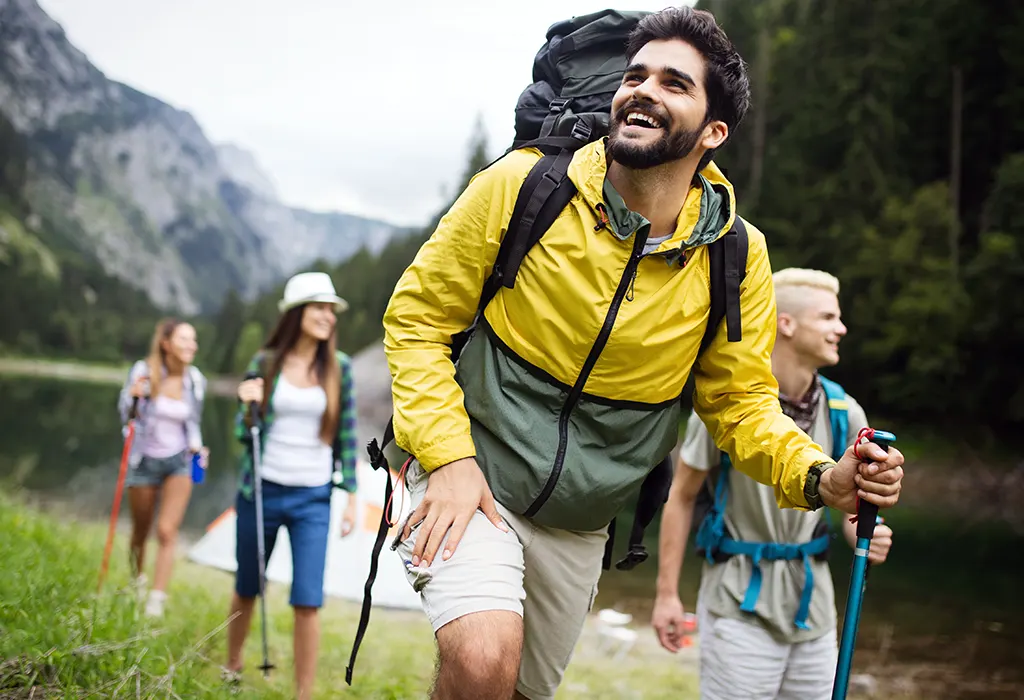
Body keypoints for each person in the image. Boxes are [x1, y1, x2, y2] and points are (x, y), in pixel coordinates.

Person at [380, 8, 905, 700]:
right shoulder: (523, 185)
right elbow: (417, 318)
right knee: (481, 659)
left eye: (674, 83)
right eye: (635, 75)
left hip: (579, 520)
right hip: (474, 474)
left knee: (514, 691)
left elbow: (740, 405)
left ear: (713, 132)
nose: (642, 90)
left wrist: (821, 479)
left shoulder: (734, 255)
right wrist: (447, 458)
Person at [652, 268, 895, 699]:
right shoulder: (727, 408)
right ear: (787, 324)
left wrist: (865, 532)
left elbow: (851, 514)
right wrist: (667, 594)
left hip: (814, 610)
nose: (841, 328)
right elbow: (681, 496)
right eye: (827, 317)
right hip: (738, 604)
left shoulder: (845, 412)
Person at [222, 271, 359, 700]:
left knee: (308, 598)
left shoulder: (341, 369)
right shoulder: (265, 363)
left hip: (313, 498)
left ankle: (303, 693)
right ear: (298, 312)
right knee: (247, 585)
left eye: (331, 309)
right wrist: (248, 408)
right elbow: (242, 433)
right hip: (260, 492)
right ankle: (232, 664)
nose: (328, 316)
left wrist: (352, 496)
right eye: (319, 307)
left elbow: (348, 437)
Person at [117, 317, 208, 618]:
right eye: (184, 339)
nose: (191, 345)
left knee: (167, 530)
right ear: (166, 344)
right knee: (140, 531)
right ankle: (136, 581)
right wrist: (133, 398)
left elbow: (193, 420)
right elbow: (125, 415)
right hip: (143, 460)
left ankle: (157, 599)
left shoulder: (195, 380)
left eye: (193, 340)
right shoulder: (144, 372)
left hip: (179, 461)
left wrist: (198, 446)